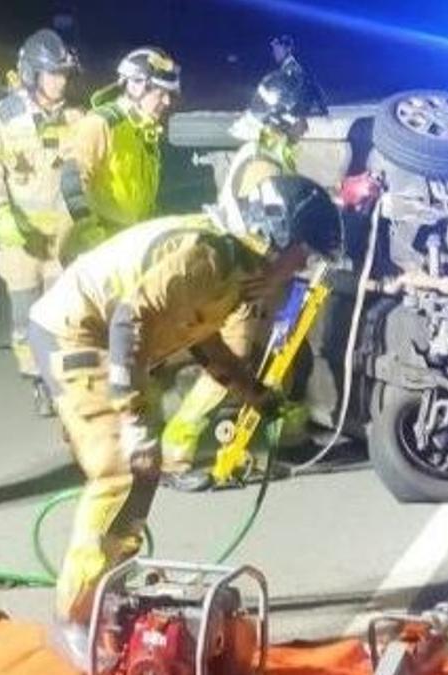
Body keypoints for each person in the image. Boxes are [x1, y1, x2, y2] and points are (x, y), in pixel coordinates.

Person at [27, 175, 341, 665]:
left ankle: (109, 588)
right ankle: (75, 615)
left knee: (145, 470)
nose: (302, 265)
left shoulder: (236, 265)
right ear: (278, 234)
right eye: (303, 253)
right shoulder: (209, 255)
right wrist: (132, 418)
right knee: (120, 467)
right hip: (76, 335)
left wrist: (254, 395)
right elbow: (128, 321)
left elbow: (202, 338)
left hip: (113, 341)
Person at [158, 71, 322, 491]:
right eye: (301, 118)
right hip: (250, 283)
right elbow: (275, 229)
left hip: (261, 279)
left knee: (283, 356)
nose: (305, 127)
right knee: (228, 368)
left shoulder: (264, 157)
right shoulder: (260, 167)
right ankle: (175, 454)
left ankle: (288, 438)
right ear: (282, 118)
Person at [0, 29, 82, 416]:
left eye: (65, 75)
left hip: (62, 242)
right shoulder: (6, 118)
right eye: (53, 74)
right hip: (20, 242)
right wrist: (2, 215)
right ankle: (36, 378)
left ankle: (59, 380)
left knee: (59, 313)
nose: (61, 82)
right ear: (33, 74)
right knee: (25, 316)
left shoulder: (75, 117)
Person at [59, 47, 179, 260]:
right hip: (102, 246)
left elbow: (140, 198)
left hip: (132, 243)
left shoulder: (145, 131)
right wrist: (88, 233)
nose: (167, 102)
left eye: (169, 95)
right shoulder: (101, 124)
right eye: (160, 93)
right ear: (134, 86)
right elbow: (72, 179)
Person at [269, 34, 328, 117]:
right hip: (296, 108)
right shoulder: (286, 66)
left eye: (278, 49)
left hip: (301, 110)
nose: (274, 53)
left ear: (287, 49)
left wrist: (321, 107)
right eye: (274, 50)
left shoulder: (293, 66)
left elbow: (310, 85)